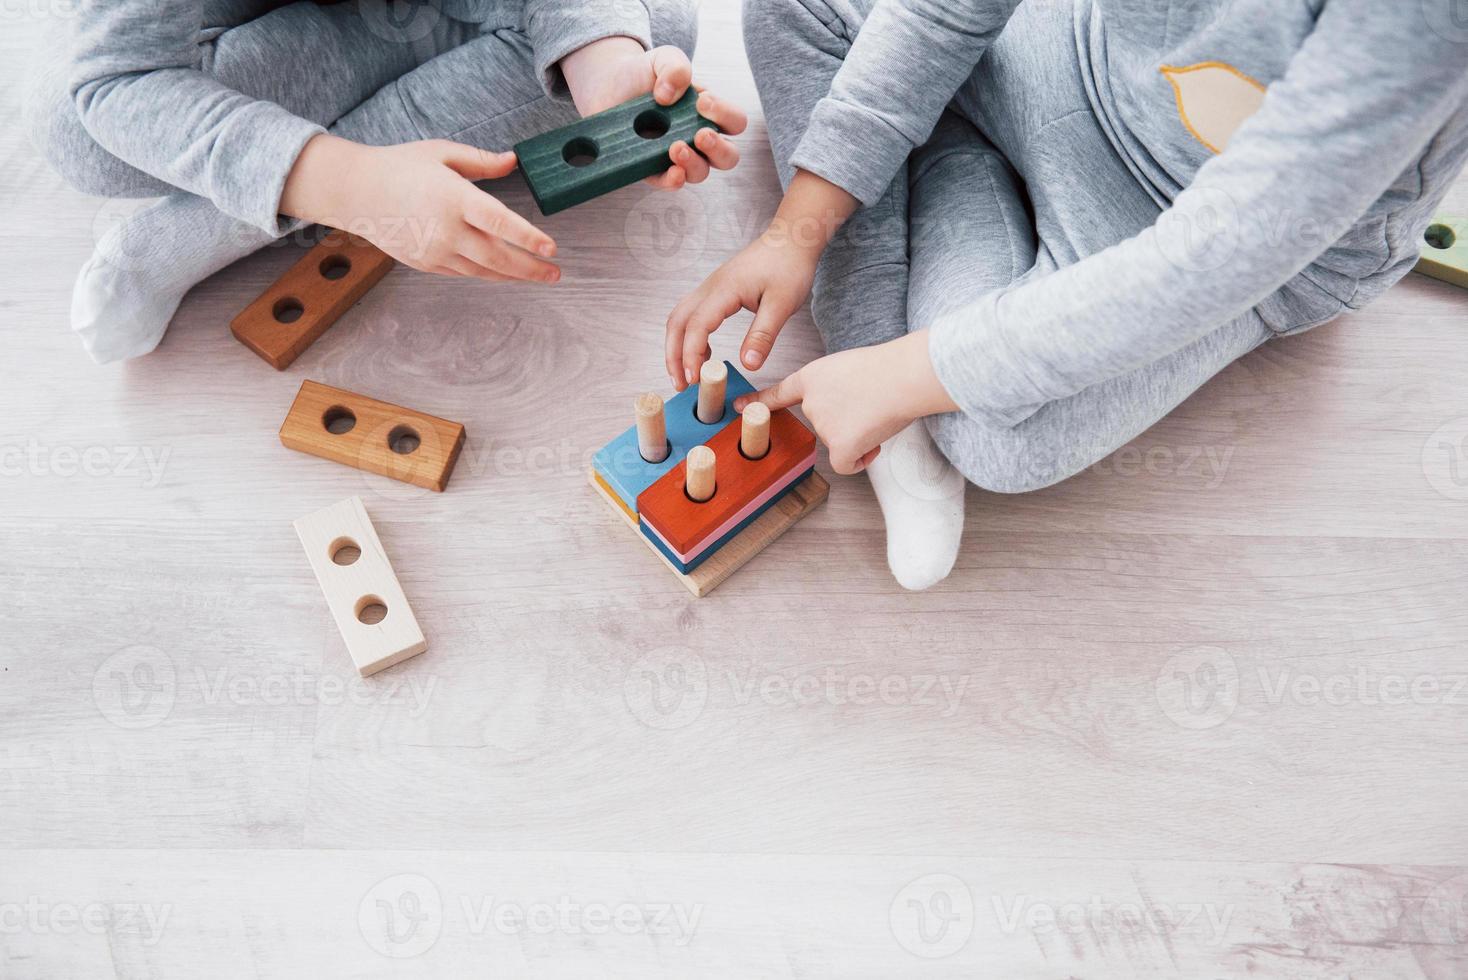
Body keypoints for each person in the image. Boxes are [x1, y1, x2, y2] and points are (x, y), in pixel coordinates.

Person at [665, 0, 1468, 589]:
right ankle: (890, 387)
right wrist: (798, 229)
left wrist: (910, 375)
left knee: (1002, 439)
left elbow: (1222, 256)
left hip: (1217, 236)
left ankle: (935, 193)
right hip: (1070, 65)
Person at [26, 0, 745, 362]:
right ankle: (204, 227)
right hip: (243, 32)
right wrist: (352, 186)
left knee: (654, 17)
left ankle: (216, 220)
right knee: (75, 133)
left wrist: (598, 58)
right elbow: (116, 76)